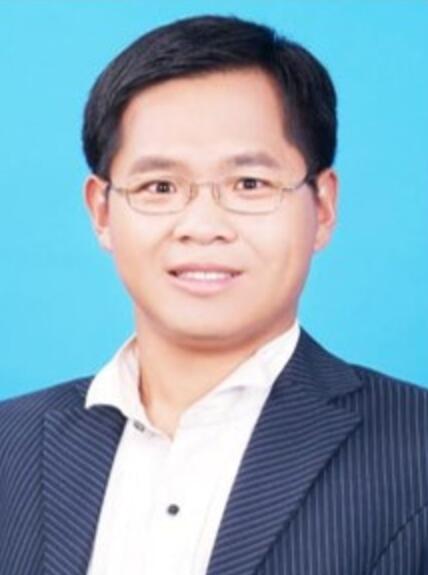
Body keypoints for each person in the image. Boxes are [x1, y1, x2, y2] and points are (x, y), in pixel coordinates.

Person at [0, 14, 427, 575]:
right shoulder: (10, 445)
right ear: (102, 212)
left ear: (322, 207)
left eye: (249, 184)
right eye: (159, 186)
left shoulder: (416, 453)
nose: (202, 226)